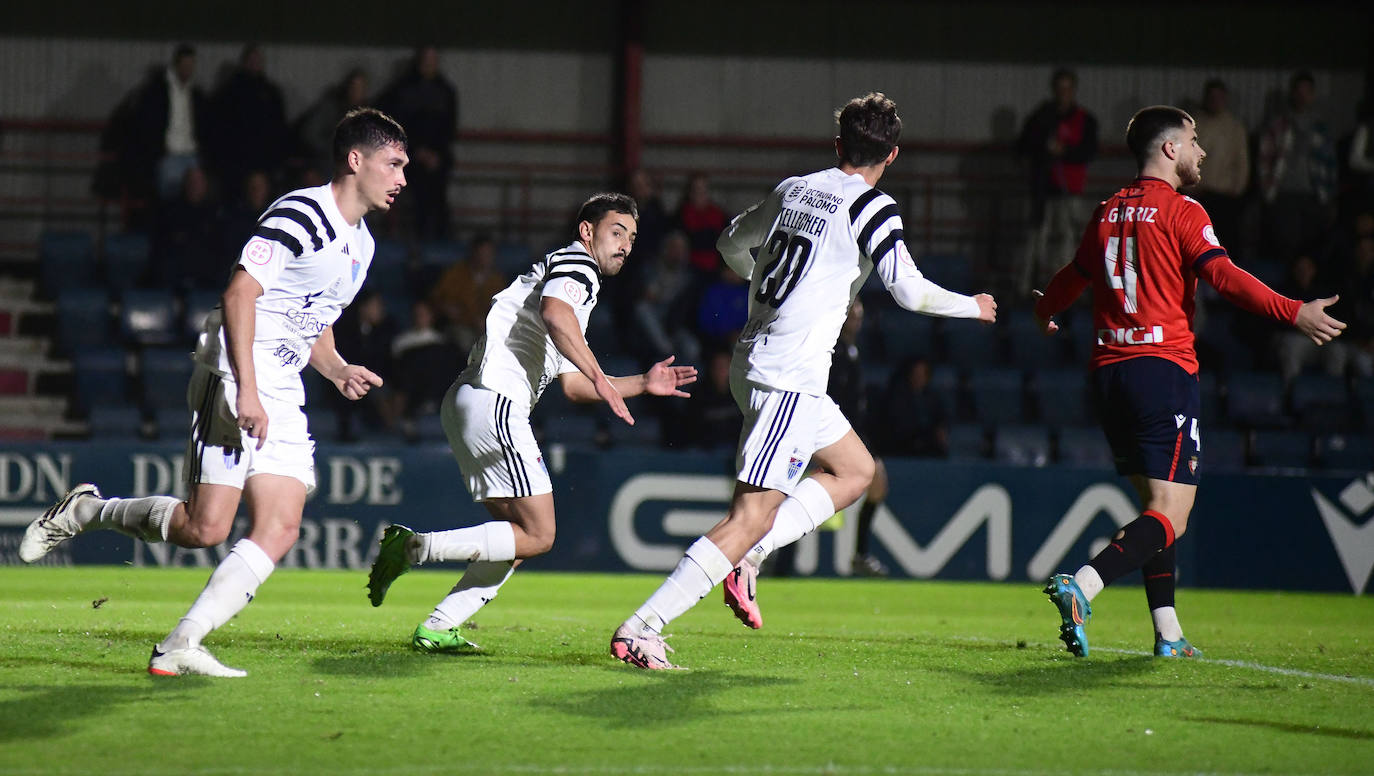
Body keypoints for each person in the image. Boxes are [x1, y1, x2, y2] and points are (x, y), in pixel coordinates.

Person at [609, 93, 997, 669]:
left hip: (763, 363)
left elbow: (729, 243)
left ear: (839, 145)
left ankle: (750, 555)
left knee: (855, 470)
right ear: (891, 155)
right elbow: (909, 290)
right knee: (749, 515)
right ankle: (641, 627)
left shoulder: (793, 190)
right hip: (787, 375)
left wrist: (762, 276)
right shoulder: (873, 207)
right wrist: (974, 306)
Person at [20, 108, 411, 677]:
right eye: (393, 164)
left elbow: (311, 316)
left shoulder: (363, 246)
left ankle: (183, 640)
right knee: (204, 529)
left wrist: (335, 368)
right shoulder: (303, 212)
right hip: (235, 371)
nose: (402, 178)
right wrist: (246, 390)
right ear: (356, 161)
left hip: (281, 383)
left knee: (280, 525)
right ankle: (86, 510)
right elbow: (239, 296)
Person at [1033, 105, 1345, 659]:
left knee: (1157, 510)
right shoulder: (1181, 209)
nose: (1202, 152)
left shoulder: (1106, 211)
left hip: (1108, 376)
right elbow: (1222, 276)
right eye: (1196, 141)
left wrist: (1046, 311)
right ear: (1170, 149)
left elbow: (1072, 277)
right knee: (1172, 514)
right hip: (1162, 372)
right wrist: (1291, 310)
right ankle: (1083, 586)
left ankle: (1169, 633)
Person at [364, 193, 697, 654]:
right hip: (496, 403)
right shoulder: (577, 269)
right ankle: (417, 547)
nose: (625, 245)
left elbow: (573, 386)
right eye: (616, 232)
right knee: (541, 535)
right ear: (587, 231)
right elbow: (556, 316)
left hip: (469, 401)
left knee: (515, 540)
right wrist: (602, 378)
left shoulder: (564, 276)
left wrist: (642, 381)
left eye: (632, 238)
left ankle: (439, 625)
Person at [1017, 68, 1099, 295]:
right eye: (1059, 88)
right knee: (1036, 240)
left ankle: (1064, 290)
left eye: (1068, 88)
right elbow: (1023, 146)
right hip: (1042, 190)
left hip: (1069, 191)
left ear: (1073, 90)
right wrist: (1043, 148)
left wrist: (1065, 150)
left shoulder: (1085, 120)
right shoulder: (1040, 117)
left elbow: (1089, 151)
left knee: (1066, 241)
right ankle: (1028, 289)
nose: (1063, 93)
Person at [1257, 72, 1338, 263]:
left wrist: (1330, 196)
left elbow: (1330, 164)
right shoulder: (1278, 124)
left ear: (1313, 94)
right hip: (1284, 194)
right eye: (1299, 91)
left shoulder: (1320, 126)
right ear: (1292, 93)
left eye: (1307, 92)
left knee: (1312, 247)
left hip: (1314, 195)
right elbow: (1264, 159)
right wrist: (1268, 191)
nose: (1302, 96)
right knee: (1286, 247)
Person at [379, 45, 458, 240]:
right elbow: (395, 122)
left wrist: (435, 153)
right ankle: (418, 240)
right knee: (416, 199)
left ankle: (441, 237)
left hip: (437, 157)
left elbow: (449, 127)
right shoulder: (402, 90)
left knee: (437, 197)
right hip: (408, 155)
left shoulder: (445, 91)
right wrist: (416, 150)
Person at [1190, 79, 1249, 252]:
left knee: (1225, 243)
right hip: (1199, 193)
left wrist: (1238, 189)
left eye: (1219, 97)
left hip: (1225, 195)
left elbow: (1242, 161)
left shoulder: (1235, 127)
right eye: (1212, 97)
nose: (1215, 101)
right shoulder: (1195, 125)